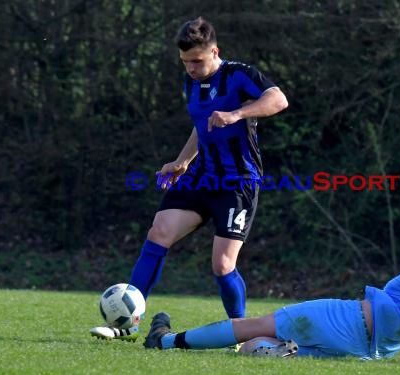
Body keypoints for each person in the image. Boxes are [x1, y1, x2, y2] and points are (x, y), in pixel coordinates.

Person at [90, 16, 288, 341]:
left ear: (214, 51)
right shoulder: (191, 83)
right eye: (185, 63)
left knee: (222, 265)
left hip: (237, 182)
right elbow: (201, 125)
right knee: (159, 232)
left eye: (196, 61)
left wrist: (237, 113)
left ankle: (243, 334)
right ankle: (127, 324)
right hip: (200, 177)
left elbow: (278, 100)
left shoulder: (239, 75)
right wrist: (182, 161)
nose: (191, 69)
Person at [142, 206, 400, 364]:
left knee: (251, 327)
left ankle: (165, 340)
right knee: (253, 348)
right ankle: (276, 352)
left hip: (342, 320)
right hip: (367, 351)